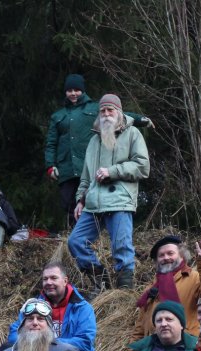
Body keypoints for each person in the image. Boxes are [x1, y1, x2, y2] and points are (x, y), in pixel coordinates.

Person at [45, 74, 153, 231]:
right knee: (68, 201)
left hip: (86, 163)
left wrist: (141, 119)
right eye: (69, 90)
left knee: (89, 198)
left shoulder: (96, 108)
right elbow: (51, 143)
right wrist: (50, 165)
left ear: (82, 91)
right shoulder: (58, 116)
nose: (73, 93)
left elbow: (119, 114)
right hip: (66, 166)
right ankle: (72, 233)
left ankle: (96, 235)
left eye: (77, 90)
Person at [67, 94, 150, 290]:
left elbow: (142, 166)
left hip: (119, 199)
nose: (106, 114)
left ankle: (123, 294)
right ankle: (101, 280)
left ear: (119, 112)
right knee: (76, 242)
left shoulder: (133, 134)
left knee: (121, 248)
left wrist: (112, 172)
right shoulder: (94, 141)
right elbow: (86, 176)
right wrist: (80, 200)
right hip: (94, 202)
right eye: (102, 110)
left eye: (110, 110)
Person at [134, 236, 201, 338]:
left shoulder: (194, 279)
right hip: (153, 350)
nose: (166, 257)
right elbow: (140, 328)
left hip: (186, 348)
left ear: (181, 256)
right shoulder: (150, 289)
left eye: (170, 253)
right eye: (161, 255)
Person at [7, 261, 96, 351]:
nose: (48, 282)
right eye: (45, 279)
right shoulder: (33, 306)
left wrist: (48, 343)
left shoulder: (82, 308)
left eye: (53, 278)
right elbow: (13, 336)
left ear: (65, 281)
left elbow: (85, 342)